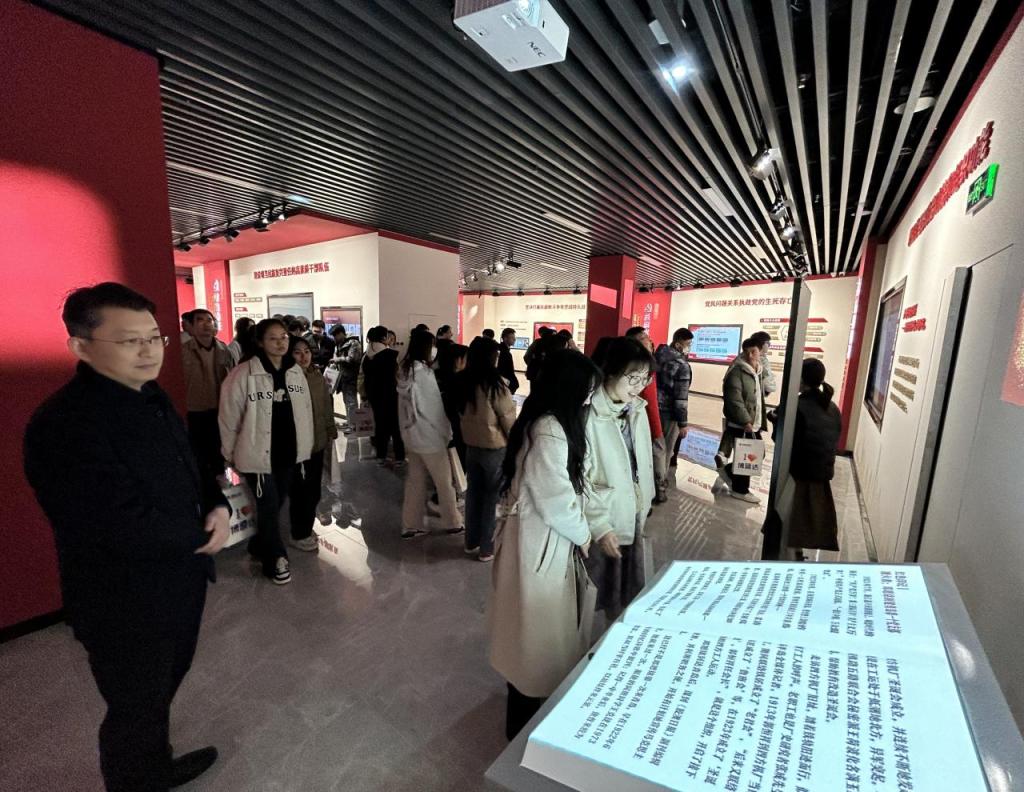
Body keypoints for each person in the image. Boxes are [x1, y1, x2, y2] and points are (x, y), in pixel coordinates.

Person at [24, 282, 230, 791]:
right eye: (129, 340)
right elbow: (114, 522)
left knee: (160, 689)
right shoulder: (63, 423)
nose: (148, 351)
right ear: (80, 346)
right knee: (134, 705)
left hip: (180, 580)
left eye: (154, 337)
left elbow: (189, 464)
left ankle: (155, 767)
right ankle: (135, 780)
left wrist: (219, 506)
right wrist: (199, 534)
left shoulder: (150, 395)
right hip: (123, 600)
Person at [489, 349, 601, 739]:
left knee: (526, 636)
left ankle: (522, 719)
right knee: (534, 641)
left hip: (531, 542)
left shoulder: (540, 420)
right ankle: (523, 731)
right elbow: (555, 500)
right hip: (540, 546)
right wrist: (585, 535)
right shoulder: (552, 430)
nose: (588, 399)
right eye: (586, 391)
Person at [219, 318, 314, 584]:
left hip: (288, 453)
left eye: (284, 337)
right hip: (257, 453)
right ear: (260, 342)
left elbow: (306, 411)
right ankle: (275, 558)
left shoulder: (295, 372)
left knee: (277, 502)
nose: (281, 343)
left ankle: (260, 543)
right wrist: (229, 453)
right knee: (269, 505)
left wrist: (306, 447)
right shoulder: (243, 374)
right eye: (273, 338)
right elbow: (228, 417)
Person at [583, 337, 656, 619]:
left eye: (644, 379)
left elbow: (641, 463)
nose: (638, 386)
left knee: (628, 593)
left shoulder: (636, 409)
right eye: (632, 378)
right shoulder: (587, 415)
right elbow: (580, 479)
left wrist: (645, 502)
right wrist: (600, 525)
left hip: (632, 511)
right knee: (594, 595)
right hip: (603, 519)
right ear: (610, 371)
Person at [396, 329, 464, 539]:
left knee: (414, 482)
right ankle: (453, 522)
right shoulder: (424, 374)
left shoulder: (404, 371)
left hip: (411, 435)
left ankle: (410, 524)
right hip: (430, 438)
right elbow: (434, 409)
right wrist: (447, 433)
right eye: (432, 345)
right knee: (444, 482)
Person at [458, 337, 516, 562]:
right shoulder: (495, 384)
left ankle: (470, 541)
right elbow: (507, 418)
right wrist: (516, 442)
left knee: (473, 494)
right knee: (492, 497)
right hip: (495, 448)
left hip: (472, 446)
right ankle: (487, 547)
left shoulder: (464, 380)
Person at [287, 336, 338, 551]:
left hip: (317, 442)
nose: (303, 356)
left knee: (314, 490)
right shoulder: (286, 378)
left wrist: (330, 428)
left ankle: (305, 526)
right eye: (297, 352)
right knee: (299, 491)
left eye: (306, 351)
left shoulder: (316, 376)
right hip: (297, 445)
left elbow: (326, 404)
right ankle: (299, 533)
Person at [788, 358, 842, 558]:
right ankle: (796, 553)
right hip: (822, 473)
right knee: (807, 522)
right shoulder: (832, 407)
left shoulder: (798, 406)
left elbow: (786, 440)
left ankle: (793, 556)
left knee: (794, 522)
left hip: (800, 474)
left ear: (802, 379)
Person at [181, 308, 235, 484]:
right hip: (194, 410)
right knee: (198, 453)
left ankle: (222, 483)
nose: (206, 324)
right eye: (200, 320)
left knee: (219, 452)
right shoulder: (182, 351)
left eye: (209, 320)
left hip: (220, 409)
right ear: (191, 326)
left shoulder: (224, 350)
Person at [717, 338, 765, 504]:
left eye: (757, 351)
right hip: (742, 423)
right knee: (748, 454)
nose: (754, 355)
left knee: (754, 454)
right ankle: (740, 490)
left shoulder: (757, 370)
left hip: (753, 422)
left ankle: (729, 472)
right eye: (750, 352)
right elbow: (734, 400)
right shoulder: (737, 372)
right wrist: (746, 421)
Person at [624, 327, 666, 503]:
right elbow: (650, 400)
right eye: (644, 337)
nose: (649, 340)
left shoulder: (642, 363)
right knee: (655, 453)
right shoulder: (643, 366)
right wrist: (657, 429)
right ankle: (657, 490)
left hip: (640, 418)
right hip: (643, 420)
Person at [653, 328, 694, 502]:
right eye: (688, 344)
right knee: (666, 451)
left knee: (654, 447)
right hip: (669, 413)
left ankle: (648, 483)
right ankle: (659, 486)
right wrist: (683, 423)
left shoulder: (656, 356)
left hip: (652, 409)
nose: (690, 347)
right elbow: (681, 397)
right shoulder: (682, 365)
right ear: (678, 344)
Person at [362, 326, 404, 465]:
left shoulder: (366, 356)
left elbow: (364, 377)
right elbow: (398, 375)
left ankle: (381, 456)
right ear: (384, 338)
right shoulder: (391, 355)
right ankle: (399, 457)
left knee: (380, 426)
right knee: (395, 426)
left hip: (374, 395)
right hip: (391, 395)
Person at [435, 341, 470, 467]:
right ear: (458, 360)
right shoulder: (460, 381)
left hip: (438, 430)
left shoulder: (436, 375)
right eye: (466, 358)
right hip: (456, 429)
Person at [331, 326, 363, 425]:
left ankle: (354, 424)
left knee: (351, 402)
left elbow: (353, 359)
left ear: (341, 333)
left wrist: (338, 359)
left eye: (335, 335)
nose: (334, 338)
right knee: (347, 401)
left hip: (352, 376)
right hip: (344, 377)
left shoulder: (353, 343)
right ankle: (350, 421)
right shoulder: (340, 344)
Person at [498, 327, 520, 394]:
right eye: (512, 337)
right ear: (505, 338)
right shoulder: (505, 353)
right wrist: (513, 384)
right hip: (504, 385)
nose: (514, 339)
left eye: (514, 337)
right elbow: (507, 371)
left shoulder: (502, 350)